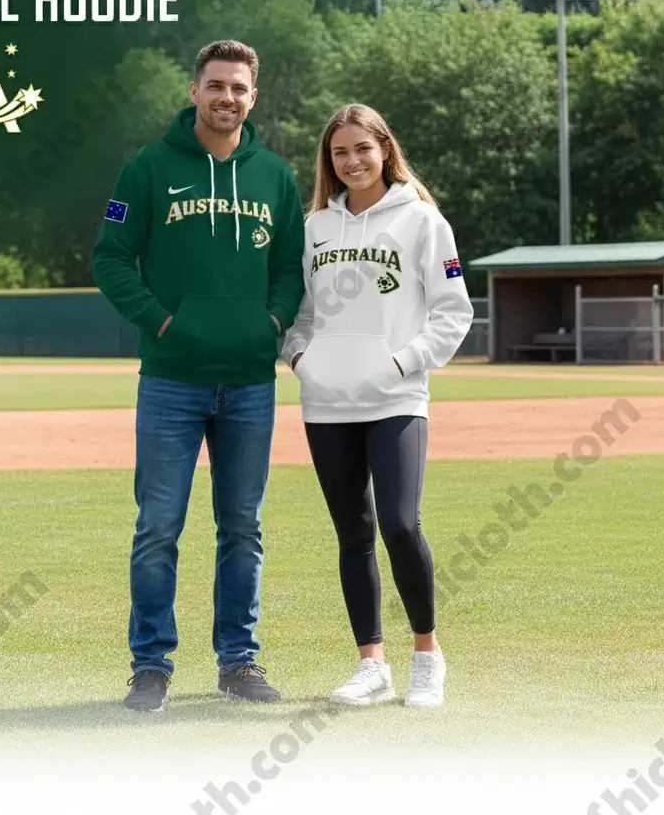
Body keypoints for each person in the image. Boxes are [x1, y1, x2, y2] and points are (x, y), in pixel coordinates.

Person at [92, 40, 305, 712]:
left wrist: (270, 325)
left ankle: (238, 662)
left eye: (239, 88)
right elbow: (111, 258)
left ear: (253, 97)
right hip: (172, 378)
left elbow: (290, 270)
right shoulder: (148, 170)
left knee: (242, 526)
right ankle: (150, 666)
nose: (227, 97)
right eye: (216, 85)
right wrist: (160, 322)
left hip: (247, 381)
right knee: (158, 523)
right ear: (193, 90)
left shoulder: (274, 175)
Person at [281, 103, 473, 708]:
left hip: (396, 398)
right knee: (353, 532)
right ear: (329, 162)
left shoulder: (422, 221)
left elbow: (453, 311)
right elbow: (298, 314)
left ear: (384, 149)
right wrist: (302, 359)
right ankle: (371, 665)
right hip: (326, 404)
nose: (352, 161)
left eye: (363, 148)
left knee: (398, 522)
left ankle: (427, 656)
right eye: (340, 152)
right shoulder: (314, 228)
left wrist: (399, 363)